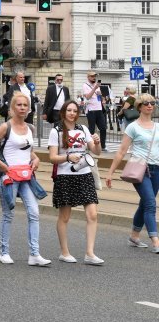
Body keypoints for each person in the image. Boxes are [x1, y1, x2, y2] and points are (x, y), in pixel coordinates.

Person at [0, 92, 50, 266]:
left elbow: (28, 150)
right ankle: (4, 252)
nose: (22, 108)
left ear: (29, 109)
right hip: (9, 177)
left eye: (25, 105)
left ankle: (34, 254)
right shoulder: (5, 127)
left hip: (27, 176)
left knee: (34, 213)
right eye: (19, 105)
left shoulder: (31, 128)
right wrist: (0, 164)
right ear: (13, 108)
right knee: (8, 214)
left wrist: (35, 159)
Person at [48, 100, 103, 265]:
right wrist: (67, 157)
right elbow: (52, 158)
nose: (72, 113)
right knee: (65, 216)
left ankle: (90, 253)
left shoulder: (83, 129)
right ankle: (64, 252)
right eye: (69, 110)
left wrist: (98, 143)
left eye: (75, 111)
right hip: (65, 176)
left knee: (92, 214)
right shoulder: (56, 131)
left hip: (85, 174)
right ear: (63, 112)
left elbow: (96, 152)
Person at [106, 93, 159, 253]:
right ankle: (156, 241)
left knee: (145, 203)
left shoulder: (158, 126)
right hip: (140, 170)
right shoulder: (133, 127)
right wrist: (110, 173)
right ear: (139, 107)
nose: (150, 105)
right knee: (150, 203)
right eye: (146, 103)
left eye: (152, 103)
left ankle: (134, 236)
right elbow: (121, 151)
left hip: (157, 169)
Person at [83, 71, 107, 151]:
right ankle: (91, 145)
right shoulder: (85, 85)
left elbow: (98, 98)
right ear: (88, 77)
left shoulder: (96, 85)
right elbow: (88, 97)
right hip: (91, 110)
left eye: (95, 76)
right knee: (92, 129)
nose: (94, 77)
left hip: (99, 109)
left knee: (103, 128)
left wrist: (101, 97)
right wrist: (94, 88)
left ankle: (103, 146)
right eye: (92, 76)